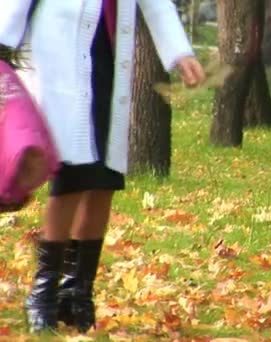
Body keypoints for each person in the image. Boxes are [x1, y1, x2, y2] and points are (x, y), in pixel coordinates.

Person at [0, 0, 205, 333]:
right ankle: (44, 294)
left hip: (108, 58)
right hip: (56, 56)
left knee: (105, 179)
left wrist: (180, 53)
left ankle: (78, 292)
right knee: (73, 174)